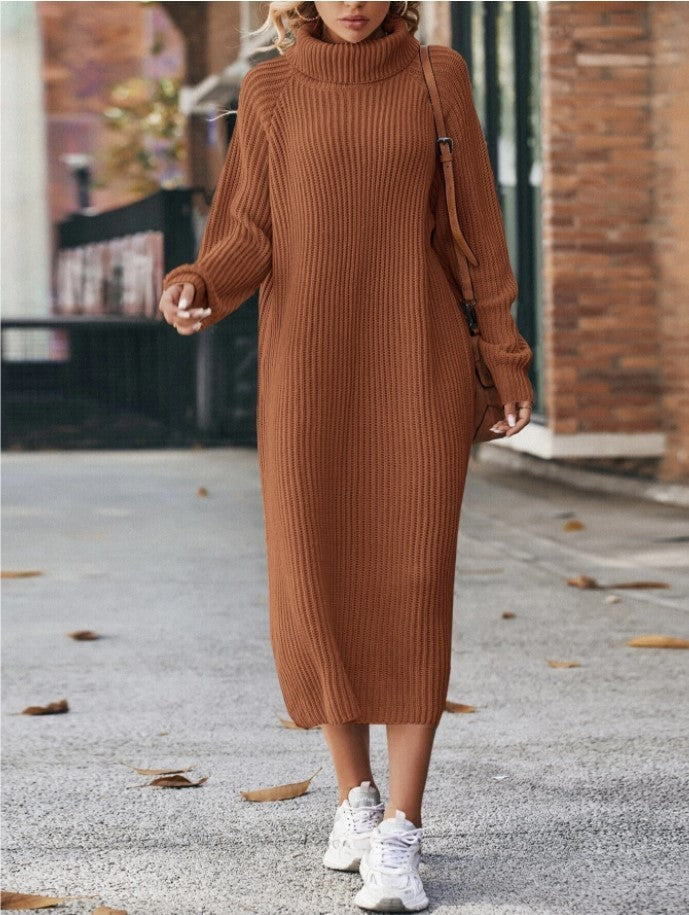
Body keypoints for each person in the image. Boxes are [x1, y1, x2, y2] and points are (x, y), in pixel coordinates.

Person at [158, 1, 534, 911]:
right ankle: (354, 799)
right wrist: (198, 281)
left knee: (409, 580)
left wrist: (503, 355)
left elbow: (479, 230)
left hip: (417, 362)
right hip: (308, 371)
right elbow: (250, 229)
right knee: (315, 578)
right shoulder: (272, 90)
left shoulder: (435, 77)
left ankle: (402, 829)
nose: (354, 3)